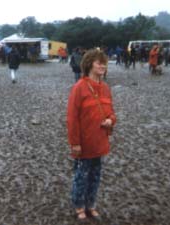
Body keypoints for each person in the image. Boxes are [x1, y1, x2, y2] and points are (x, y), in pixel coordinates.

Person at [67, 48, 116, 222]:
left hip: (100, 141)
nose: (103, 66)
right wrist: (75, 143)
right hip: (84, 142)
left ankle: (91, 205)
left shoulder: (105, 87)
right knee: (81, 176)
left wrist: (111, 120)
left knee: (95, 176)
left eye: (104, 63)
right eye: (99, 63)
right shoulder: (79, 87)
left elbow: (111, 112)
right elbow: (72, 118)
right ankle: (79, 206)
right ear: (89, 65)